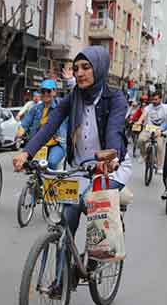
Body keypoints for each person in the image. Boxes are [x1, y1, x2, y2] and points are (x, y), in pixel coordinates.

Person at [13, 45, 131, 240]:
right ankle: (65, 262)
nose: (79, 73)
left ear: (99, 67)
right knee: (67, 219)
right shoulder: (72, 97)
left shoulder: (115, 98)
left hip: (110, 167)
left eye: (86, 67)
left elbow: (114, 131)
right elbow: (50, 126)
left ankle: (96, 257)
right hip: (78, 169)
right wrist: (26, 153)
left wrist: (111, 156)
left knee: (91, 206)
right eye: (76, 69)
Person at [16, 79, 68, 170]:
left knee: (51, 162)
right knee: (30, 166)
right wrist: (19, 134)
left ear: (54, 92)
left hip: (57, 144)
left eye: (48, 91)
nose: (45, 94)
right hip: (38, 144)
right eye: (42, 91)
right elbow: (25, 124)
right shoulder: (35, 109)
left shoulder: (61, 106)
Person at [137, 92, 167, 174]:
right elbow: (143, 115)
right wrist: (139, 121)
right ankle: (143, 155)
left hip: (159, 131)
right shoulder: (148, 107)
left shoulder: (165, 108)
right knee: (140, 140)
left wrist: (162, 131)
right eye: (153, 99)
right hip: (148, 129)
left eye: (156, 99)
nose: (154, 101)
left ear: (160, 99)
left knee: (160, 147)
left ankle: (159, 166)